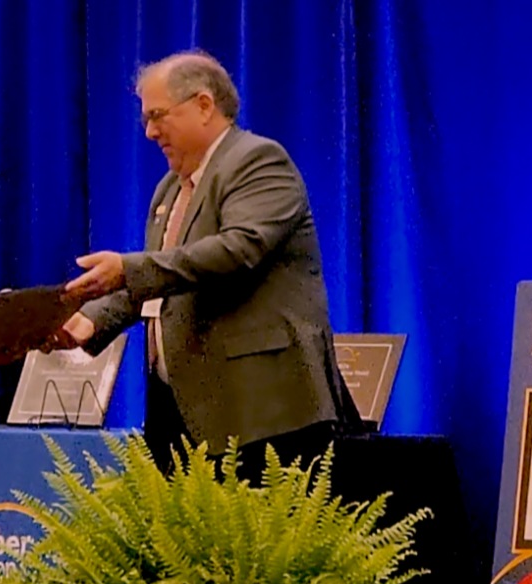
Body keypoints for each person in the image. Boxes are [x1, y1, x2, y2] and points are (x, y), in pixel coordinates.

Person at [50, 50, 361, 483]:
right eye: (145, 119)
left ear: (203, 105)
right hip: (183, 412)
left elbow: (239, 249)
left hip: (261, 411)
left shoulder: (258, 161)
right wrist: (88, 321)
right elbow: (160, 282)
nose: (150, 131)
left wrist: (127, 268)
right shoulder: (168, 189)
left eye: (158, 116)